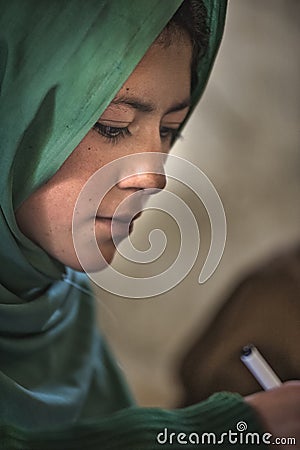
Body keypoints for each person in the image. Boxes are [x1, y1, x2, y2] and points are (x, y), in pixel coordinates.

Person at [0, 1, 299, 449]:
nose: (153, 176)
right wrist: (227, 430)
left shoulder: (57, 307)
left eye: (170, 131)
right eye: (112, 125)